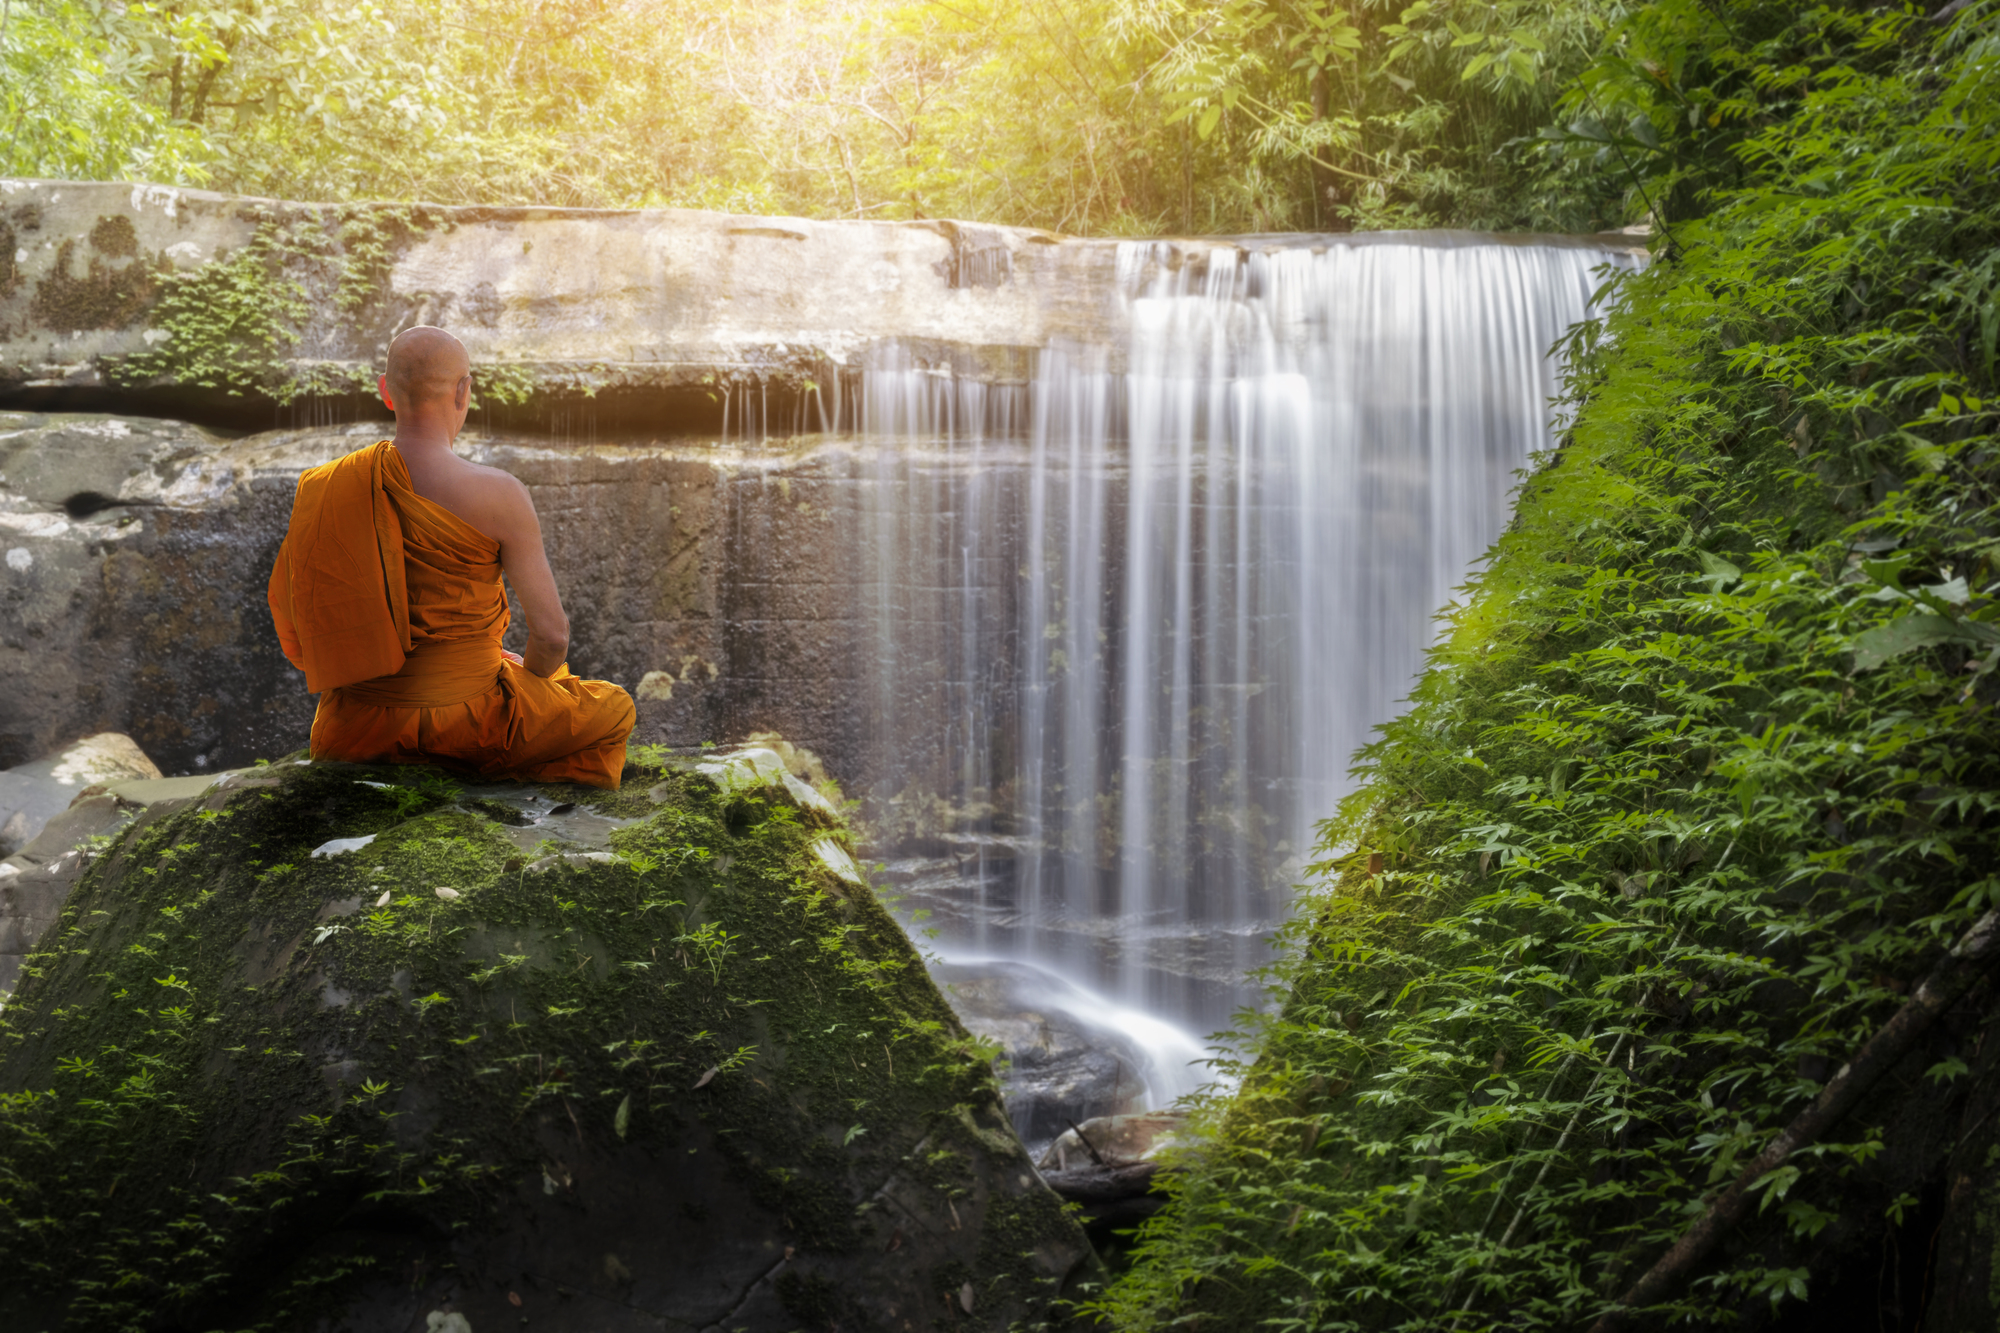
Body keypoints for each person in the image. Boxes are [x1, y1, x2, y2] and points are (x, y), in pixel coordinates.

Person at [267, 326, 635, 787]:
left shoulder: (323, 487)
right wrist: (524, 687)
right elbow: (551, 637)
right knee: (614, 705)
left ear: (386, 391)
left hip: (355, 734)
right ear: (463, 392)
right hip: (471, 728)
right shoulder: (500, 493)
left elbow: (300, 632)